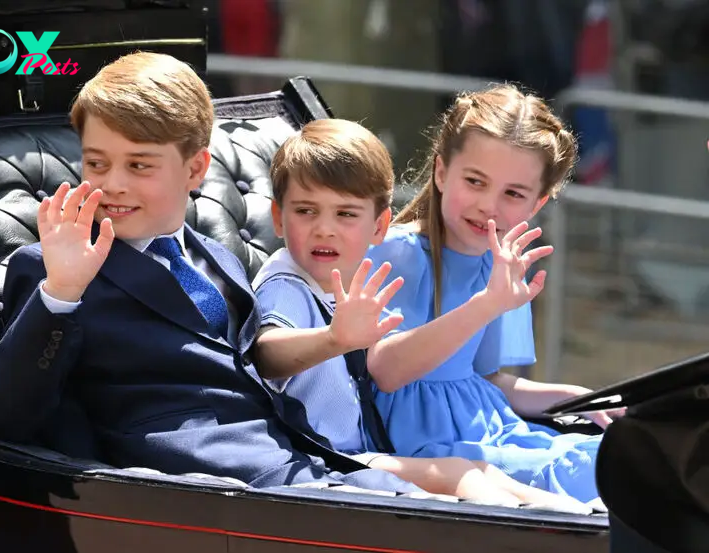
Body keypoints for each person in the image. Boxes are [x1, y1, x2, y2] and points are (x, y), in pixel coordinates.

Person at [0, 51, 422, 494]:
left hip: (299, 459)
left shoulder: (217, 258)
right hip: (198, 485)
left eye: (139, 165)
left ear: (196, 169)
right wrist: (61, 292)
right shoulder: (52, 268)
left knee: (464, 506)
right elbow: (4, 417)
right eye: (97, 163)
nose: (113, 183)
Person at [250, 117, 592, 512]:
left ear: (376, 225)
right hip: (333, 457)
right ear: (278, 217)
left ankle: (583, 521)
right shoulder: (291, 282)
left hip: (374, 447)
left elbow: (486, 379)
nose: (325, 229)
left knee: (486, 473)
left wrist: (575, 399)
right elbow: (266, 352)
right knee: (465, 474)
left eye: (345, 215)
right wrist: (333, 339)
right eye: (307, 211)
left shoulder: (343, 278)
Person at [363, 84, 622, 504]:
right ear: (442, 172)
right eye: (475, 181)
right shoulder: (397, 253)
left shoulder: (501, 262)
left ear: (536, 204)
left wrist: (575, 398)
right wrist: (487, 304)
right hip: (435, 451)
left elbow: (489, 382)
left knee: (612, 454)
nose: (489, 205)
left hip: (496, 431)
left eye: (513, 194)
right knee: (604, 474)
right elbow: (387, 372)